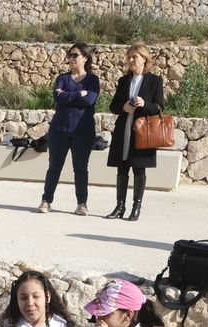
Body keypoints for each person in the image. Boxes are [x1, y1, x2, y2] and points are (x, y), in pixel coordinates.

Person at [105, 42, 166, 222]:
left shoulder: (155, 81)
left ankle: (136, 207)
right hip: (124, 129)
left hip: (142, 132)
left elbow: (159, 107)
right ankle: (119, 206)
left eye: (135, 57)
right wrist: (123, 107)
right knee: (121, 168)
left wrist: (144, 104)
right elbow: (114, 106)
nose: (131, 60)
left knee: (139, 169)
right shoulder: (124, 81)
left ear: (144, 59)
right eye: (129, 57)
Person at [37, 43, 101, 216]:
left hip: (83, 130)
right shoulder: (63, 78)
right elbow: (58, 98)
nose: (71, 58)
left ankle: (82, 203)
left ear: (85, 58)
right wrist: (79, 94)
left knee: (80, 168)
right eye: (70, 55)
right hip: (59, 130)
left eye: (75, 55)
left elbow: (90, 101)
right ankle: (46, 200)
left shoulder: (92, 80)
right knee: (54, 166)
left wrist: (67, 96)